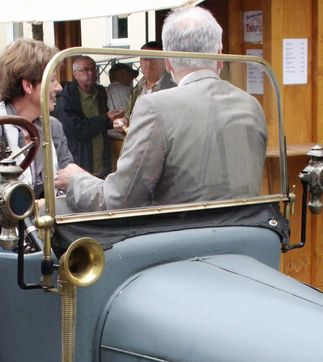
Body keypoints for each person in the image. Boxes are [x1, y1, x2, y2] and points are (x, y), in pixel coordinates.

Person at [55, 6, 266, 212]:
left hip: (184, 232)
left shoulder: (155, 107)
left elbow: (119, 200)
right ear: (220, 55)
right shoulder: (251, 105)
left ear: (168, 62)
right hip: (249, 231)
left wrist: (76, 180)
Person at [0, 39, 73, 198]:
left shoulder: (53, 127)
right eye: (52, 79)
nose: (59, 87)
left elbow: (68, 179)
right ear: (28, 86)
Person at [54, 55, 122, 177]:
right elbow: (76, 129)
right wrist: (106, 119)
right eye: (85, 70)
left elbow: (102, 123)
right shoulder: (65, 97)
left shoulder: (100, 92)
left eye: (93, 69)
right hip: (80, 162)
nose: (91, 73)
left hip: (101, 161)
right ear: (75, 74)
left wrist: (114, 121)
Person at [122, 40, 176, 125]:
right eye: (145, 59)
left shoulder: (172, 88)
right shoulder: (139, 87)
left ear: (164, 62)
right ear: (140, 61)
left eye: (154, 59)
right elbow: (128, 117)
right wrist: (123, 121)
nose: (148, 64)